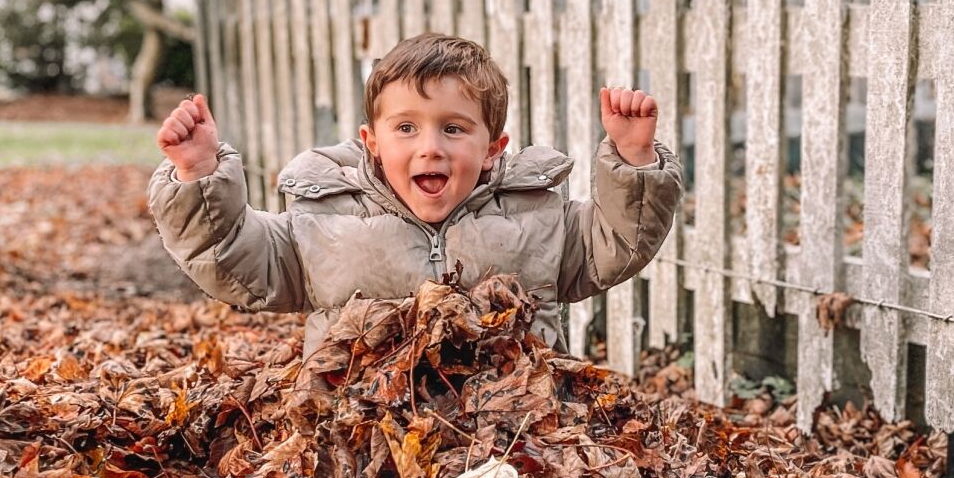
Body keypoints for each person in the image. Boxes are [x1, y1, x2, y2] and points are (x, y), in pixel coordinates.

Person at [148, 33, 683, 360]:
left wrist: (634, 161)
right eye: (406, 128)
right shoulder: (325, 217)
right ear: (372, 143)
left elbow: (613, 244)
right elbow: (238, 262)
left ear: (493, 148)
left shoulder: (537, 215)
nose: (430, 148)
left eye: (453, 129)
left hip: (515, 437)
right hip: (359, 433)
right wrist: (199, 175)